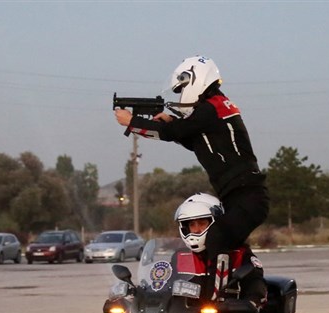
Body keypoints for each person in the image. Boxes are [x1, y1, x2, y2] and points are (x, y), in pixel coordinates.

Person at [115, 55, 269, 300]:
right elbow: (195, 140)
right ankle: (253, 291)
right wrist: (169, 122)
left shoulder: (212, 106)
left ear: (196, 79)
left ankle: (213, 302)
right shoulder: (215, 108)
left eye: (183, 87)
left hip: (247, 193)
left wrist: (133, 122)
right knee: (230, 242)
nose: (181, 95)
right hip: (241, 193)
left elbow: (179, 131)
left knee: (216, 237)